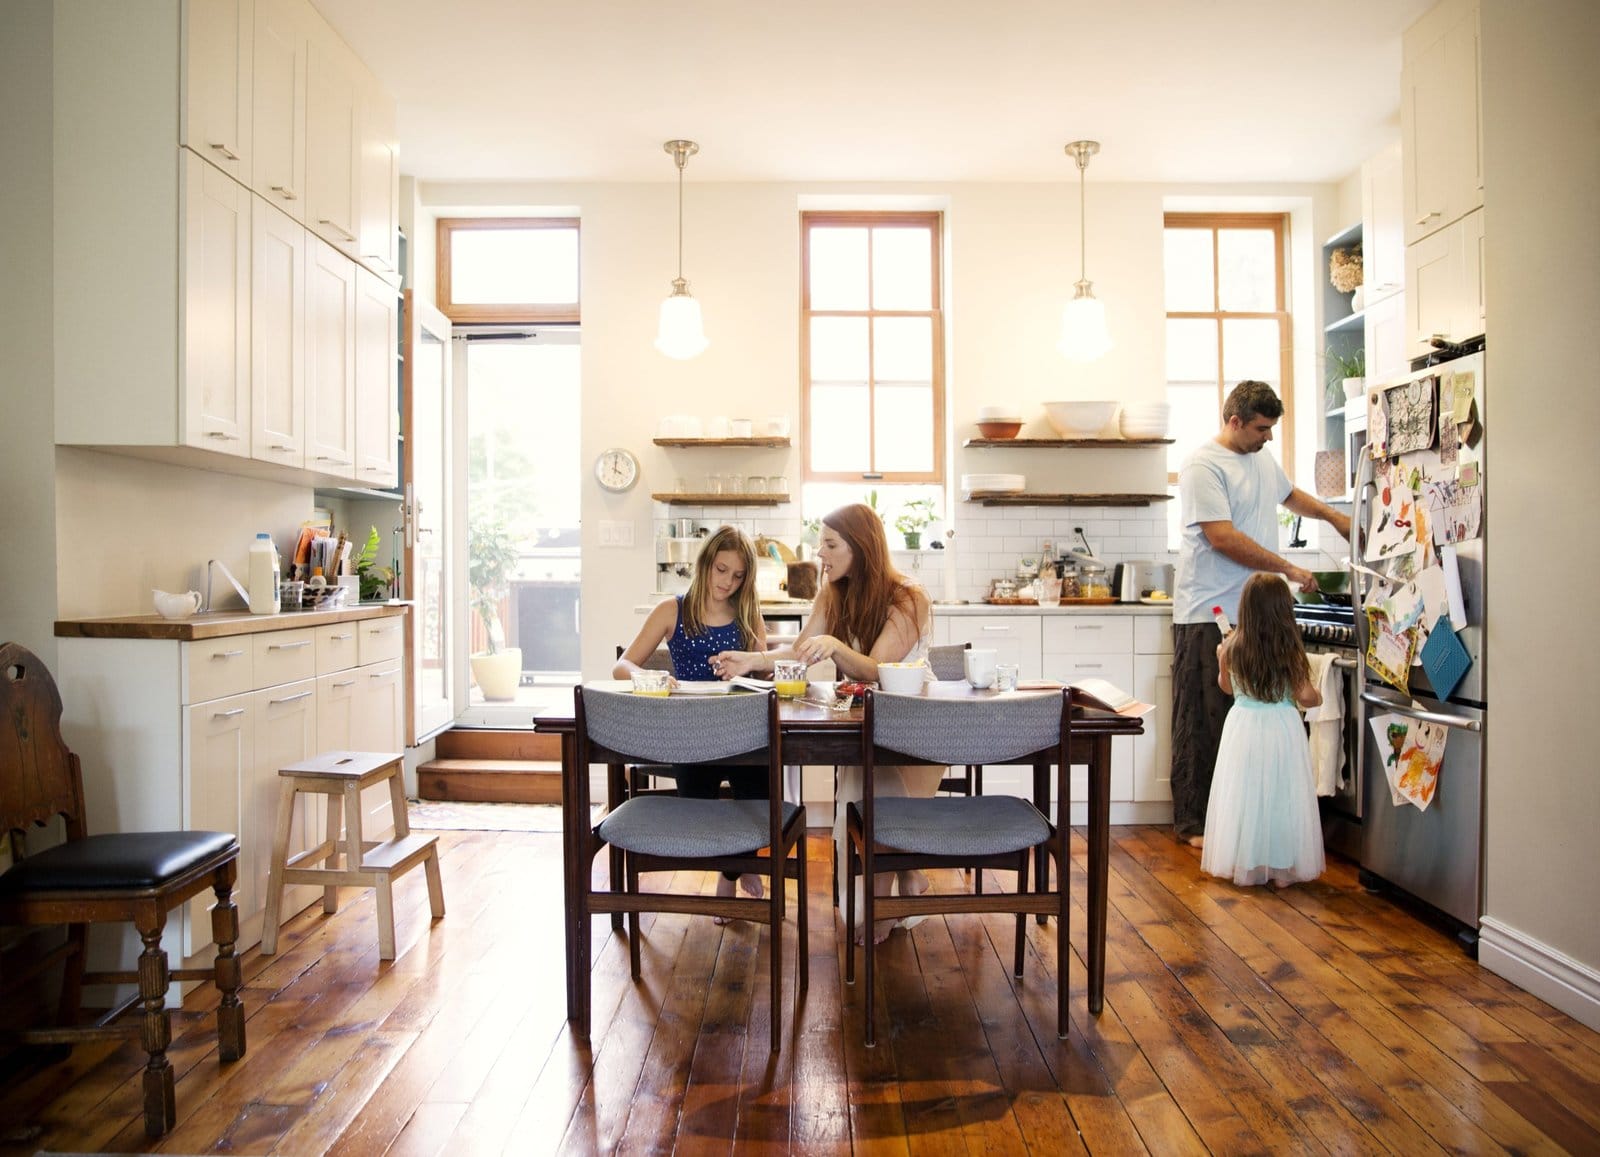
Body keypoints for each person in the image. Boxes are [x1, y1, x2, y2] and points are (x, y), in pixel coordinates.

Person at [712, 503, 939, 944]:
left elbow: (877, 668)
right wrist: (753, 659)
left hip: (916, 726)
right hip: (865, 724)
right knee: (871, 787)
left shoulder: (909, 596)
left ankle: (887, 902)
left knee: (879, 792)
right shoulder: (832, 591)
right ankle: (905, 879)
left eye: (830, 545)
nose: (821, 554)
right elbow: (800, 649)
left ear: (863, 546)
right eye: (821, 544)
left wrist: (835, 645)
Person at [1171, 380, 1352, 849]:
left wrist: (1335, 517)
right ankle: (1196, 823)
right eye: (1262, 428)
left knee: (1257, 721)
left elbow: (1290, 496)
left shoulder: (1261, 459)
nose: (1268, 436)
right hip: (1208, 609)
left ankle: (1249, 822)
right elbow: (1223, 538)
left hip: (1259, 610)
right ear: (1235, 421)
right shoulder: (1202, 466)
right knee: (1205, 720)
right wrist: (1288, 566)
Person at [614, 525, 768, 909]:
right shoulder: (673, 609)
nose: (727, 583)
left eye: (737, 576)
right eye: (721, 570)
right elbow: (623, 665)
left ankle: (733, 869)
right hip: (689, 733)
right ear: (704, 565)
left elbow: (765, 671)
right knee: (697, 811)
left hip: (741, 730)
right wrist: (651, 676)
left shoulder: (748, 611)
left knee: (758, 805)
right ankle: (736, 866)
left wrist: (746, 667)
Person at [1200, 572, 1326, 888]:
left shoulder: (1232, 647)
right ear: (1285, 610)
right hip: (1281, 727)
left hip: (1242, 725)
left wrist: (1221, 660)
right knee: (1281, 795)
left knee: (1245, 794)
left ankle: (1248, 863)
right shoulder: (1290, 651)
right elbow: (1306, 696)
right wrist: (1320, 694)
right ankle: (1281, 869)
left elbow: (1226, 688)